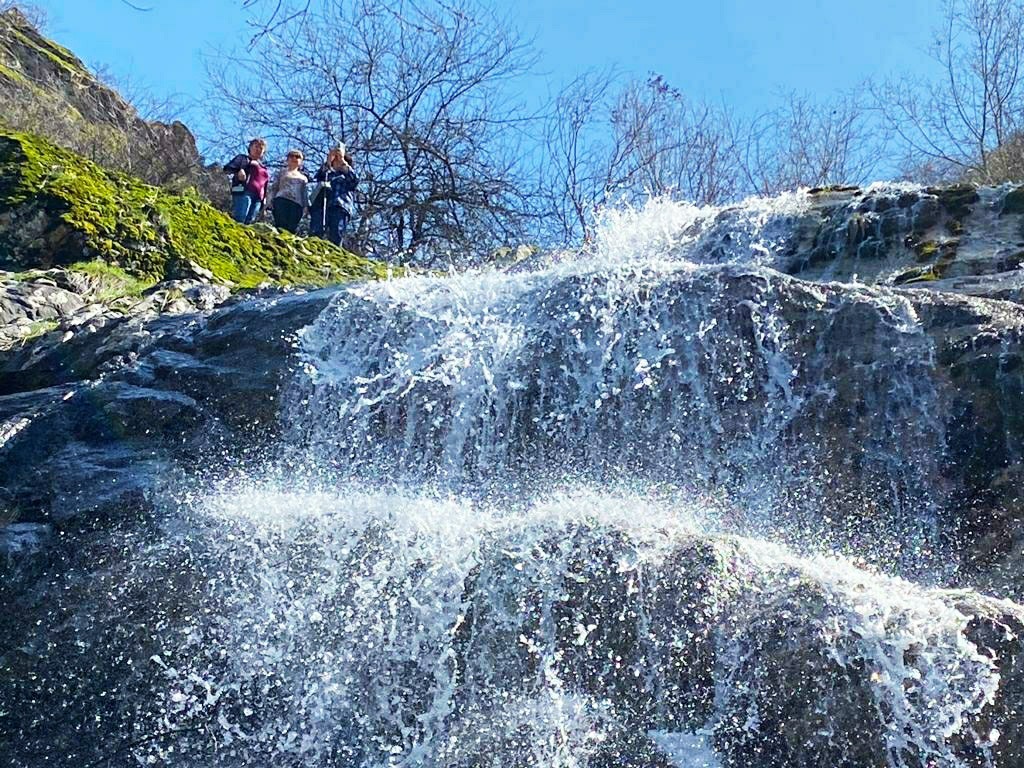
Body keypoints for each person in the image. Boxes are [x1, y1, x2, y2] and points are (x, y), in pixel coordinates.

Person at [310, 146, 358, 245]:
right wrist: (328, 161)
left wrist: (343, 161)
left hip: (340, 206)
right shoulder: (328, 174)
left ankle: (335, 254)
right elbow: (319, 177)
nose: (337, 162)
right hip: (322, 206)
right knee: (316, 231)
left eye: (338, 160)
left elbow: (354, 180)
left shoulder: (347, 175)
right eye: (335, 160)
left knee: (336, 233)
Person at [224, 138, 269, 225]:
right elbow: (227, 168)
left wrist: (264, 203)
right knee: (240, 217)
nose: (258, 149)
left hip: (258, 198)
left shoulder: (264, 168)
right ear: (250, 147)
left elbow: (265, 185)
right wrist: (239, 171)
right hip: (244, 191)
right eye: (256, 146)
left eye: (261, 148)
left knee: (250, 222)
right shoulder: (243, 158)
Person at [267, 149, 308, 234]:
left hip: (297, 204)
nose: (294, 158)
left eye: (297, 157)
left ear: (301, 161)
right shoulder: (281, 172)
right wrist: (270, 200)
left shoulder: (303, 178)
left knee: (292, 227)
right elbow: (274, 187)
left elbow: (304, 193)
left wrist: (306, 206)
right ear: (287, 159)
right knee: (280, 224)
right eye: (291, 156)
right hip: (281, 200)